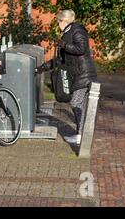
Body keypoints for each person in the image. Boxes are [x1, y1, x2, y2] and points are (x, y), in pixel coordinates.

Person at [36, 9, 97, 145]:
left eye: (58, 21)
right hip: (77, 74)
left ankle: (82, 135)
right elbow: (60, 60)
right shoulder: (67, 33)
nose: (57, 24)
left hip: (83, 73)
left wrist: (64, 45)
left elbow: (82, 48)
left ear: (64, 20)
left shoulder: (77, 30)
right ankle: (81, 134)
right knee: (78, 103)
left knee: (76, 102)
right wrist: (42, 68)